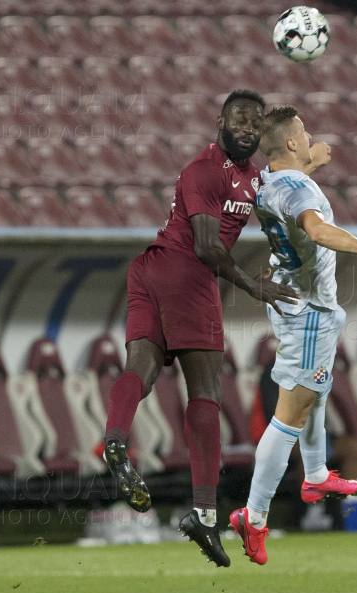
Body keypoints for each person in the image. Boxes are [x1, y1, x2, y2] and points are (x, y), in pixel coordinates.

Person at [102, 89, 328, 568]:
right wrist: (253, 287)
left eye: (253, 123)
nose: (245, 128)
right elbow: (207, 246)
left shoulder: (254, 176)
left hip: (149, 268)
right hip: (187, 271)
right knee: (205, 389)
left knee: (140, 365)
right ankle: (204, 513)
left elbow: (274, 195)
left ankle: (115, 439)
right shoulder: (203, 171)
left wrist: (309, 164)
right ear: (219, 123)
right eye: (237, 120)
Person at [229, 105, 357, 565]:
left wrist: (311, 161)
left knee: (316, 394)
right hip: (308, 311)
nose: (310, 136)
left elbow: (287, 189)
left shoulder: (268, 179)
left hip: (298, 305)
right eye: (303, 133)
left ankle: (314, 474)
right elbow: (316, 228)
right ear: (291, 143)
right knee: (289, 415)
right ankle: (254, 515)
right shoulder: (296, 188)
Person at [251, 357, 357, 529]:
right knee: (307, 447)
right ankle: (311, 511)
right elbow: (273, 414)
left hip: (313, 435)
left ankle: (343, 511)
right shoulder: (274, 370)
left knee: (353, 449)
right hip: (279, 437)